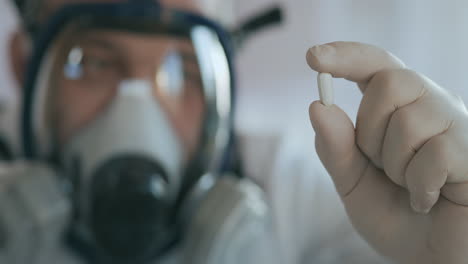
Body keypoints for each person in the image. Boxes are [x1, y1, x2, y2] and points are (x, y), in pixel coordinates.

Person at [2, 1, 468, 264]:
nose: (139, 111)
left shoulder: (294, 194)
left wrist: (446, 254)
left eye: (181, 67)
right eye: (94, 62)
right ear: (26, 65)